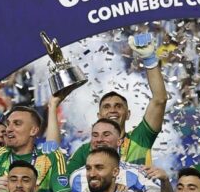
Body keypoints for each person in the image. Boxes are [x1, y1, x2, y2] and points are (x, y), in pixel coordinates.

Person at [45, 31, 169, 173]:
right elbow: (56, 172)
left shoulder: (140, 138)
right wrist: (53, 105)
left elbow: (159, 100)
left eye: (118, 106)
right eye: (107, 107)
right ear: (99, 115)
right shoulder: (85, 151)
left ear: (128, 114)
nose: (112, 110)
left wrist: (149, 59)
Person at [0, 106, 70, 192]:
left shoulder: (52, 157)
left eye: (17, 124)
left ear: (33, 130)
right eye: (8, 124)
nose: (8, 129)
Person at [65, 119, 172, 192]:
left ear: (119, 142)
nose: (99, 139)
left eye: (106, 135)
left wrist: (165, 181)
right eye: (95, 135)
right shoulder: (76, 177)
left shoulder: (136, 173)